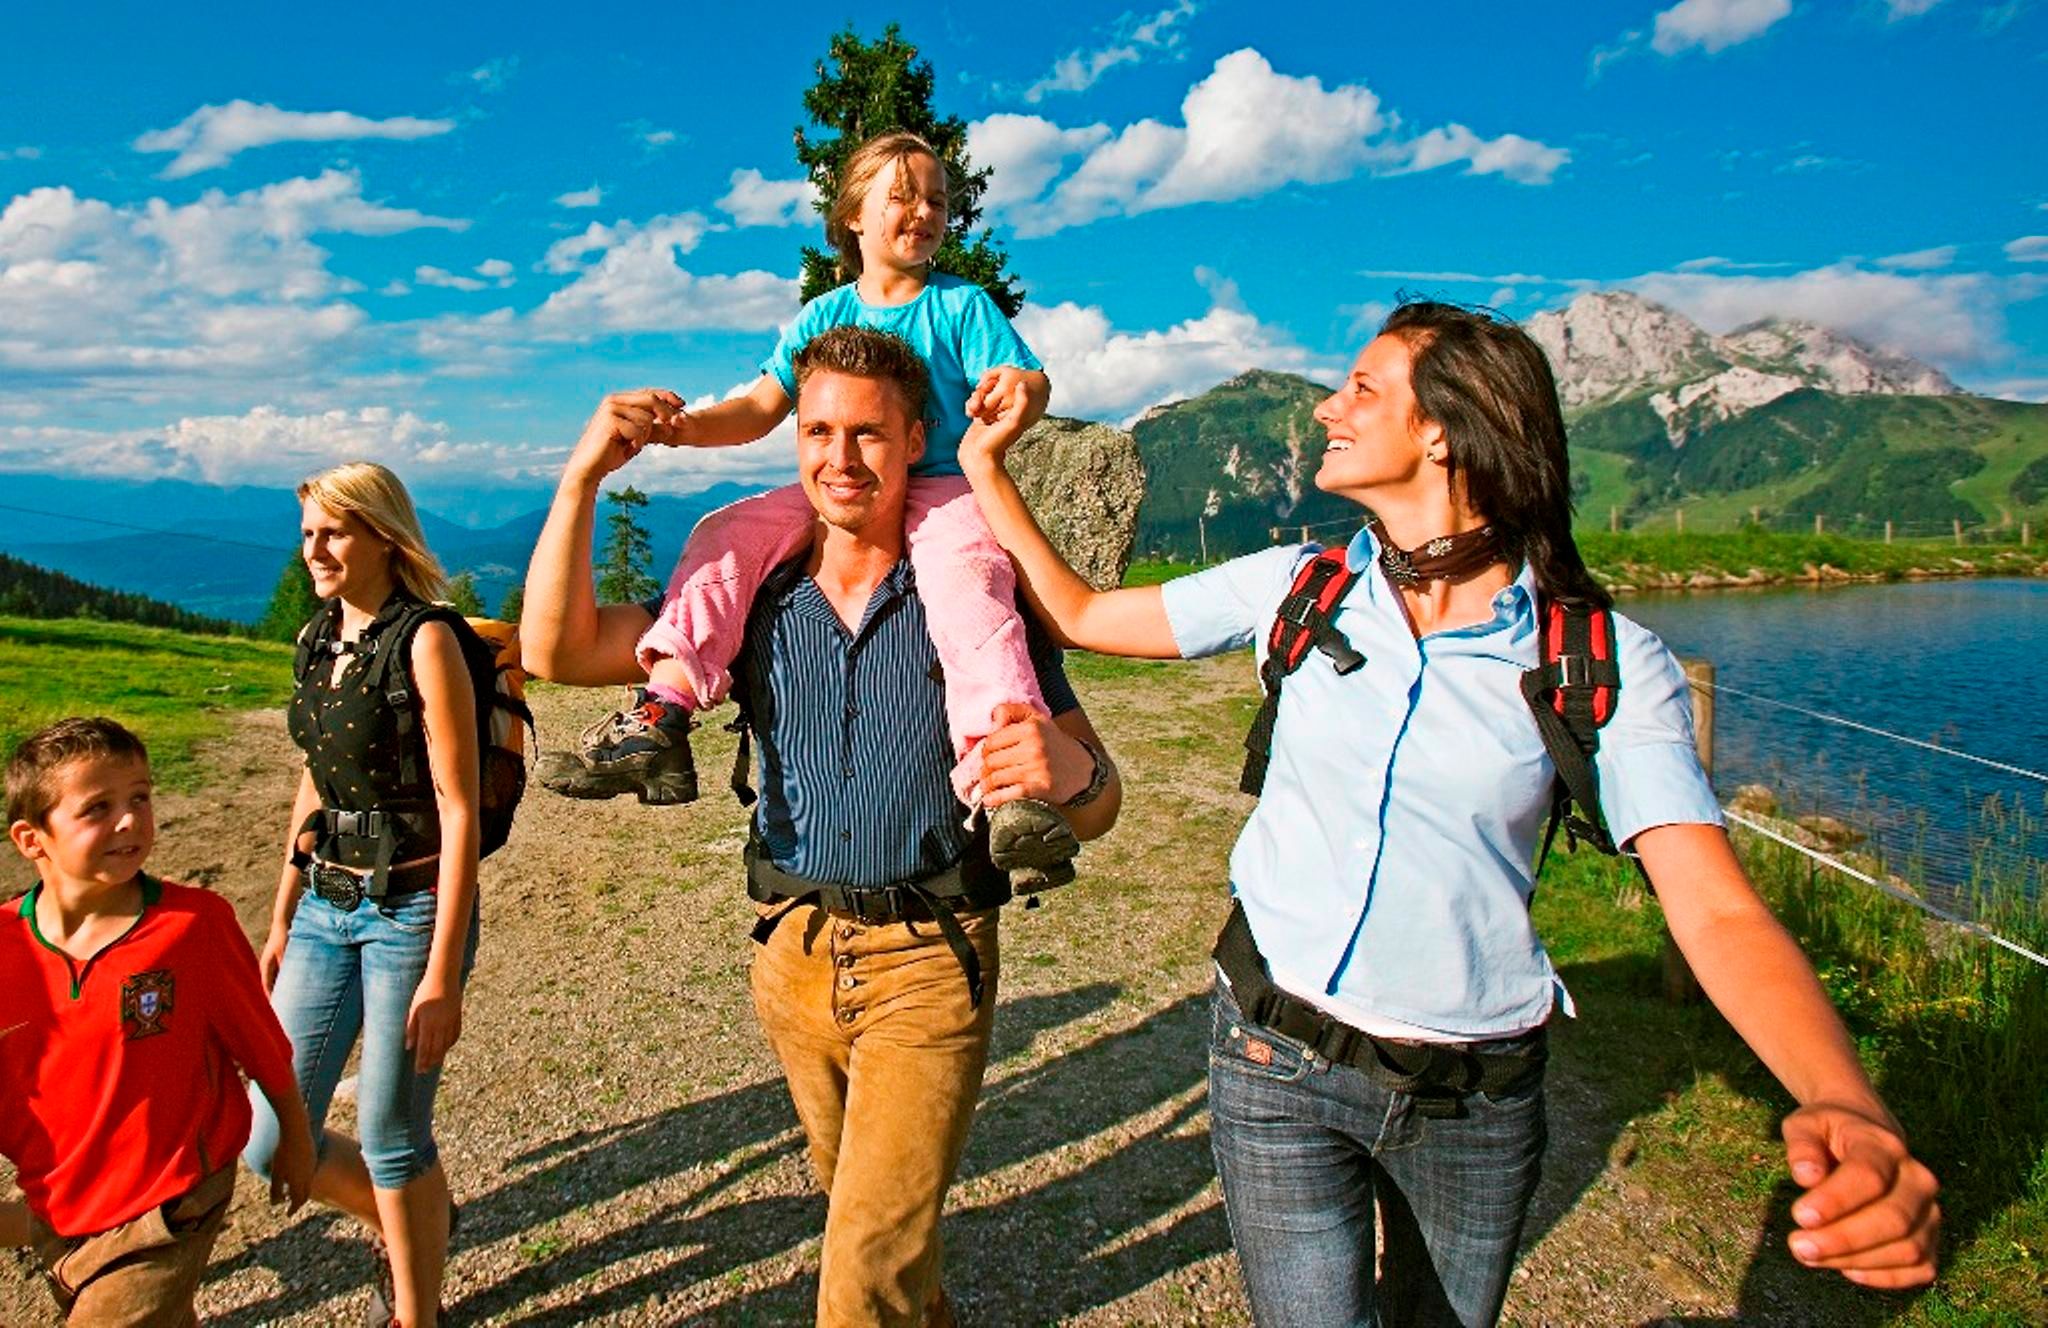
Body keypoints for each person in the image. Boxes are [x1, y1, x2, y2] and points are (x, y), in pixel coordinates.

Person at [956, 301, 1940, 1325]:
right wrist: (986, 463)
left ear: (1441, 430)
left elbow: (1716, 909)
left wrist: (1842, 1097)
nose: (1327, 407)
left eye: (1361, 388)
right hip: (1270, 1054)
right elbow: (1079, 614)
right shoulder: (1299, 586)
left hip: (1473, 1098)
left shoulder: (1600, 659)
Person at [521, 325, 1123, 1326]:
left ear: (916, 440)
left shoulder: (976, 592)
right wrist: (582, 476)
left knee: (859, 1282)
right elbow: (556, 649)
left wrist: (1075, 774)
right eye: (817, 432)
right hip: (792, 955)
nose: (840, 458)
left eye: (869, 434)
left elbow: (1096, 804)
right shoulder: (749, 589)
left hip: (931, 961)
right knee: (870, 1232)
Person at [535, 132, 1081, 891]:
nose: (924, 212)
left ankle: (1008, 779)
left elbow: (1026, 377)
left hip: (939, 488)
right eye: (902, 196)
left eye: (937, 200)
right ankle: (664, 709)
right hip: (841, 488)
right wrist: (681, 428)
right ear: (852, 215)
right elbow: (761, 409)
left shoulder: (961, 304)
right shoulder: (821, 317)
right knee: (725, 535)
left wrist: (1023, 389)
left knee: (968, 584)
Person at [243, 461, 484, 1328]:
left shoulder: (427, 640)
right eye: (308, 533)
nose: (314, 550)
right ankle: (414, 1218)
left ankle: (417, 1312)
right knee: (268, 1135)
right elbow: (316, 780)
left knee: (391, 1135)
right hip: (324, 906)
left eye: (333, 532)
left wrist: (443, 973)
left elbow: (459, 808)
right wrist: (281, 915)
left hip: (409, 910)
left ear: (382, 536)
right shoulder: (316, 639)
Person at [2, 716, 314, 1325]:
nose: (130, 820)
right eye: (98, 807)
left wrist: (296, 1141)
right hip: (63, 1204)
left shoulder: (193, 927)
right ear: (32, 838)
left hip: (173, 1198)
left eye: (140, 797)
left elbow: (262, 1045)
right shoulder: (6, 947)